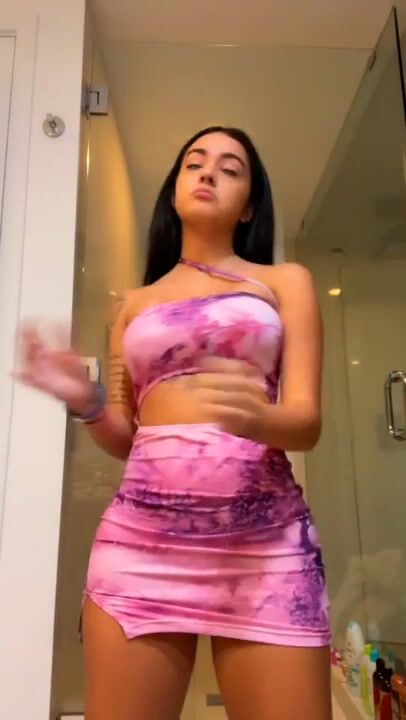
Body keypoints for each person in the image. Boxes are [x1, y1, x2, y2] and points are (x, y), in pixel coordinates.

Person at [16, 126, 331, 720]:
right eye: (195, 162)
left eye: (230, 168)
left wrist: (258, 418)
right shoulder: (133, 305)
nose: (208, 172)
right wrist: (86, 400)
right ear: (175, 189)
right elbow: (127, 439)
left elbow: (306, 423)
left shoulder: (286, 282)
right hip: (142, 544)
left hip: (265, 546)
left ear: (250, 207)